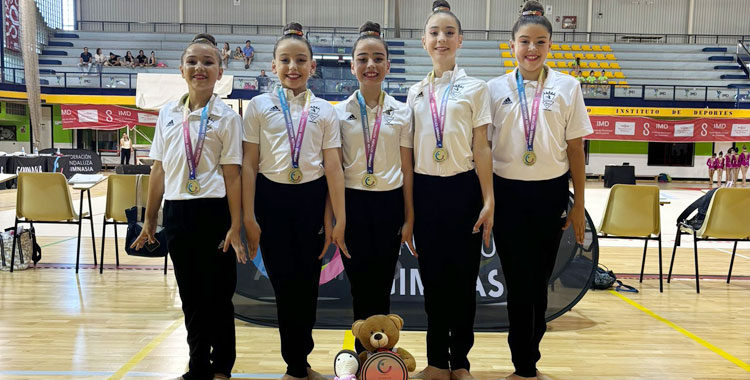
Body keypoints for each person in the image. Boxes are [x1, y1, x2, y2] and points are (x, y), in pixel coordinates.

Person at [130, 33, 245, 380]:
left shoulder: (227, 117)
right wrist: (150, 221)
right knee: (191, 297)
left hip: (215, 213)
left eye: (208, 62)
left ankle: (222, 366)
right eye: (193, 61)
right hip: (178, 213)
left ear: (220, 71)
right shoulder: (167, 113)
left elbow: (233, 176)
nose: (200, 67)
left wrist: (235, 225)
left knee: (219, 296)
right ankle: (197, 365)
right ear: (181, 70)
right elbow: (159, 170)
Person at [487, 2, 591, 379]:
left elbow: (576, 148)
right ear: (511, 44)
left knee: (540, 281)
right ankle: (522, 362)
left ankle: (531, 354)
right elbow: (483, 148)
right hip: (508, 193)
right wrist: (488, 199)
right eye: (525, 41)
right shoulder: (494, 88)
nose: (532, 48)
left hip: (550, 194)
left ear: (550, 45)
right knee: (517, 281)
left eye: (540, 42)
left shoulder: (568, 86)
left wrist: (578, 204)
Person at [241, 22, 346, 380]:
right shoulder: (257, 107)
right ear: (273, 66)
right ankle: (294, 365)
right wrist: (248, 217)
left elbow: (332, 167)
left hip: (311, 202)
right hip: (272, 201)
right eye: (285, 60)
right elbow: (250, 165)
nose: (293, 67)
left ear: (312, 67)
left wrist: (335, 218)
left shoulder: (325, 111)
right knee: (284, 288)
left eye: (301, 60)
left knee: (307, 287)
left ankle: (302, 362)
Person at [407, 2, 494, 380]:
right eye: (434, 33)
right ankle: (435, 362)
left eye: (448, 32)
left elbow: (482, 147)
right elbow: (408, 161)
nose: (441, 39)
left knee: (461, 282)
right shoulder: (414, 93)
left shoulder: (476, 89)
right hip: (426, 192)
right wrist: (409, 214)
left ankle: (459, 362)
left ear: (460, 40)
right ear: (424, 41)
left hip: (464, 190)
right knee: (434, 282)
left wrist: (488, 198)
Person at [334, 21, 415, 354]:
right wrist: (337, 219)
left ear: (388, 65)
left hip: (389, 205)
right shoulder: (337, 114)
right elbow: (334, 171)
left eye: (378, 58)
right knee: (358, 287)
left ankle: (381, 359)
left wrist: (409, 218)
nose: (371, 65)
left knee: (382, 286)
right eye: (363, 59)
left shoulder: (403, 112)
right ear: (352, 65)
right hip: (352, 204)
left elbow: (408, 170)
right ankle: (360, 353)